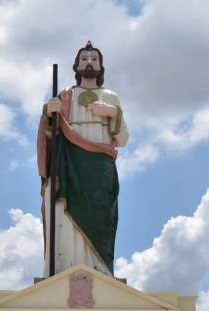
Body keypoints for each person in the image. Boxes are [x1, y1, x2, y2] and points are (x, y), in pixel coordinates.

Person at [37, 41, 129, 277]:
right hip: (70, 163)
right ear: (76, 65)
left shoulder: (111, 97)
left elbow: (123, 139)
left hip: (100, 166)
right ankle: (64, 268)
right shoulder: (66, 95)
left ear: (101, 66)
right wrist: (49, 114)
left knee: (101, 217)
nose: (89, 62)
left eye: (94, 58)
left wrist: (112, 113)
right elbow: (50, 134)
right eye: (85, 58)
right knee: (63, 208)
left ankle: (100, 271)